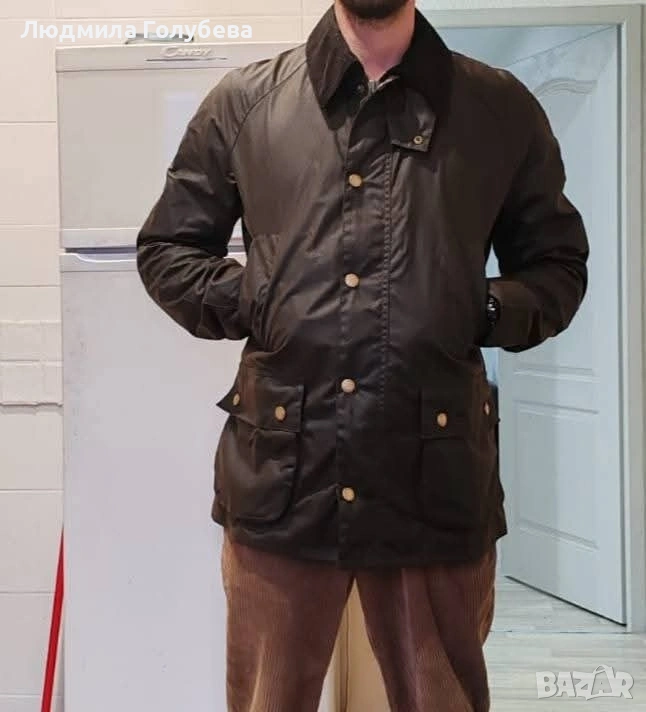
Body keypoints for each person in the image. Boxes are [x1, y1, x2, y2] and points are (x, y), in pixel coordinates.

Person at [136, 0, 589, 709]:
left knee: (443, 700)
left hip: (433, 480)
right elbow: (169, 249)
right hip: (283, 474)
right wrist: (261, 298)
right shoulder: (246, 102)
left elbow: (557, 266)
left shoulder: (497, 107)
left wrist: (477, 308)